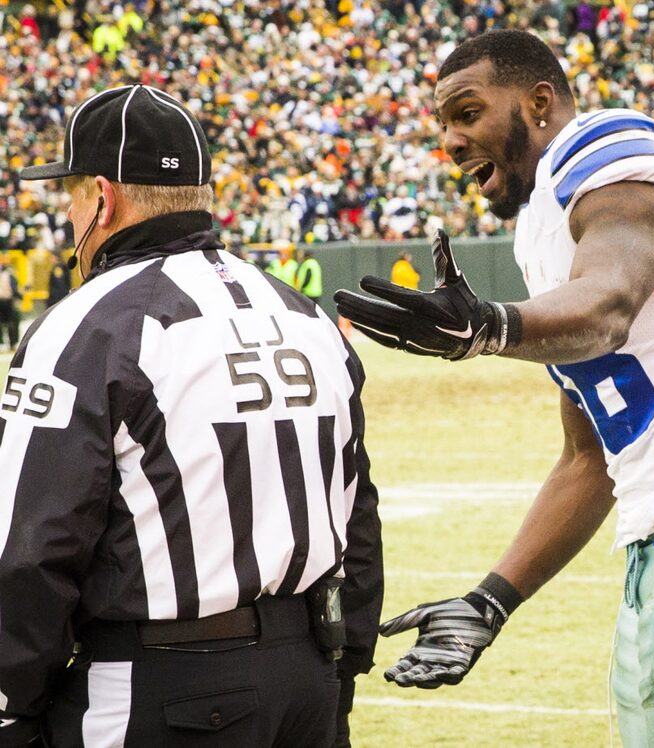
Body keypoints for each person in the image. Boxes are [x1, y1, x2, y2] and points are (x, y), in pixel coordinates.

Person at [335, 30, 654, 746]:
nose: (450, 141)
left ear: (540, 102)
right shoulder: (545, 227)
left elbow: (610, 304)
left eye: (467, 113)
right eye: (443, 125)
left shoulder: (602, 146)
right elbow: (588, 459)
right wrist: (490, 601)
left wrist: (488, 328)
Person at [2, 84, 383, 748]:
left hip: (161, 683)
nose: (66, 217)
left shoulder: (87, 327)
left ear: (103, 197)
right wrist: (343, 662)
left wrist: (10, 706)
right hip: (307, 677)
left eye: (68, 198)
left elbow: (30, 550)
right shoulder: (306, 315)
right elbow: (359, 513)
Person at [0, 256, 22, 352]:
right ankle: (2, 343)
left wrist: (18, 297)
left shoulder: (9, 273)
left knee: (11, 323)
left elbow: (14, 288)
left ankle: (12, 343)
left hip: (8, 301)